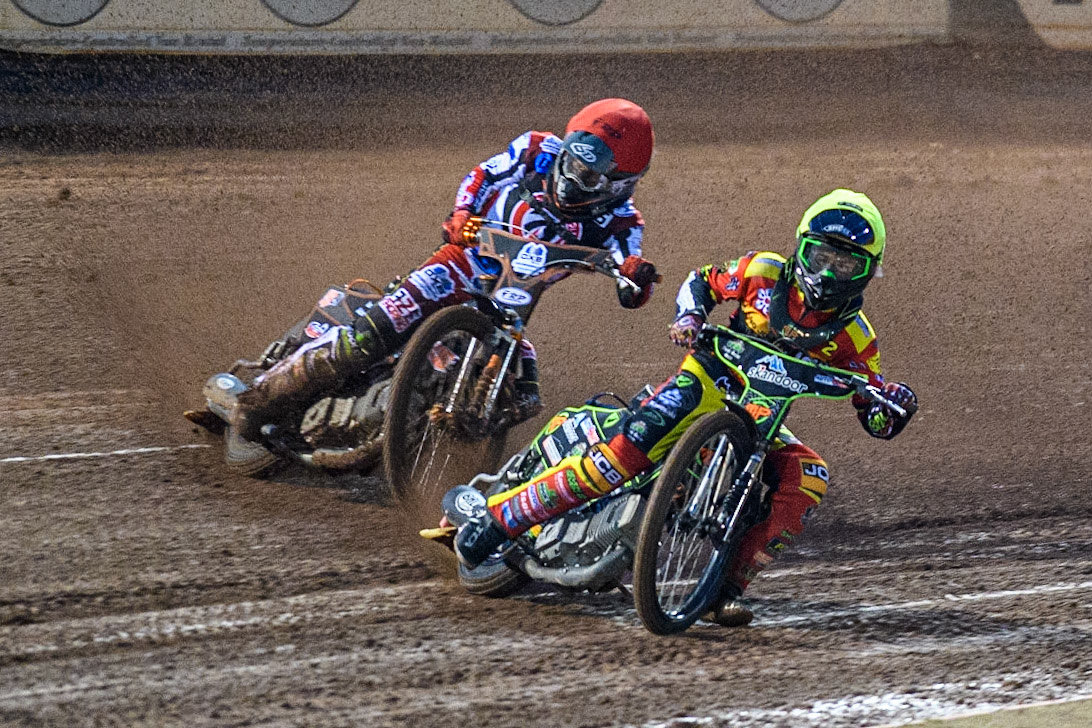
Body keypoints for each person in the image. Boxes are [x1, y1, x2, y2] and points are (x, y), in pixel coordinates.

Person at [452, 188, 918, 627]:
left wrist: (895, 405)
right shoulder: (763, 271)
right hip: (703, 383)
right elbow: (702, 281)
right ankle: (501, 519)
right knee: (617, 459)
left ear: (866, 271)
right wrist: (690, 315)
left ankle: (724, 590)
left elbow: (873, 410)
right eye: (822, 256)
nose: (829, 271)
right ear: (803, 247)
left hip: (762, 419)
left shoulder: (858, 338)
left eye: (845, 263)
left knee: (810, 476)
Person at [233, 98, 659, 441]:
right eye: (570, 162)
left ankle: (426, 431)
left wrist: (635, 278)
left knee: (526, 395)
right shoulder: (536, 149)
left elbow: (631, 276)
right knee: (373, 331)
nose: (570, 179)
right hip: (460, 264)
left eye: (587, 176)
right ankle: (258, 399)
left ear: (620, 183)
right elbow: (482, 175)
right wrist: (461, 214)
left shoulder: (623, 223)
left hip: (510, 305)